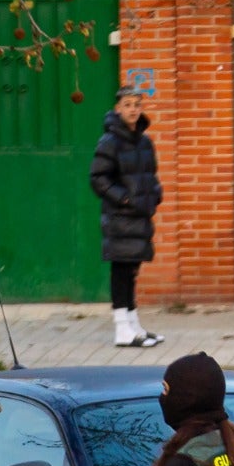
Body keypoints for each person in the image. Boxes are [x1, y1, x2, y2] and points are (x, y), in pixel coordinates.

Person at [90, 86, 165, 349]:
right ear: (118, 108)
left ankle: (134, 325)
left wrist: (155, 194)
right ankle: (122, 328)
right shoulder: (109, 141)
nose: (133, 110)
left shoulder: (144, 141)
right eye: (128, 105)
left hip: (140, 217)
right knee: (121, 270)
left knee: (132, 270)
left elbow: (152, 176)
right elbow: (98, 179)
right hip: (120, 218)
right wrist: (124, 198)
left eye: (137, 105)